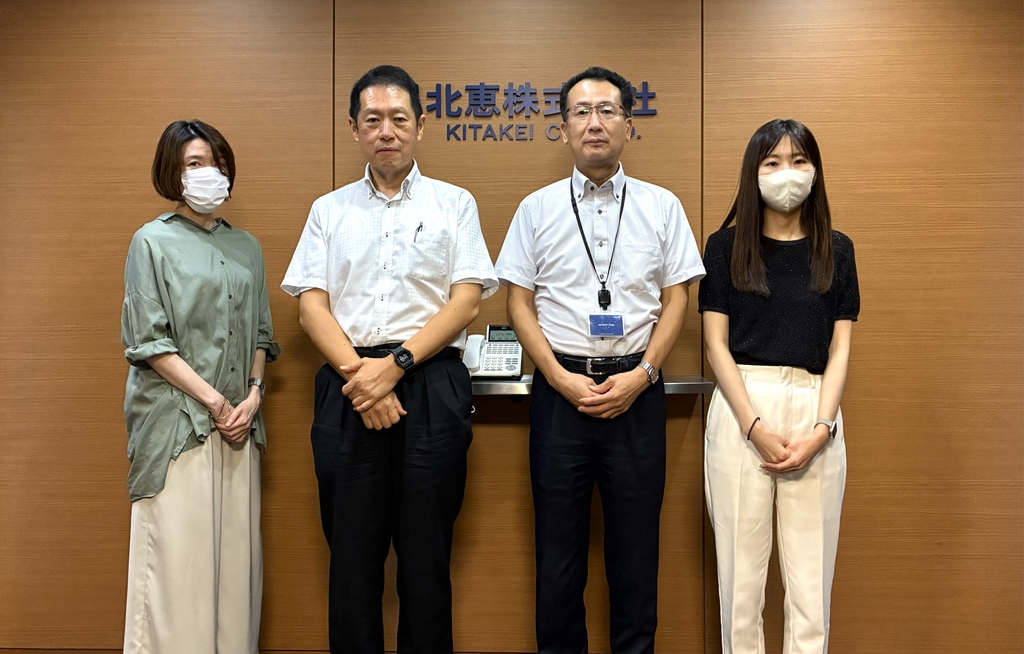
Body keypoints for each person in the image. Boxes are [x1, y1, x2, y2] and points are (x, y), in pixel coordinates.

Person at [281, 64, 497, 654]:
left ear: (420, 126)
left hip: (430, 384)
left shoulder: (455, 203)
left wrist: (395, 366)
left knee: (427, 561)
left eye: (399, 119)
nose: (386, 131)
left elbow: (466, 301)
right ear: (354, 129)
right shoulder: (328, 210)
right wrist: (364, 379)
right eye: (372, 119)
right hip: (349, 387)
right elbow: (311, 308)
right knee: (351, 561)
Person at [495, 66, 705, 654]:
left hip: (639, 391)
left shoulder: (662, 206)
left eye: (607, 111)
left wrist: (643, 375)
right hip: (559, 395)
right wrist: (558, 378)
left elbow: (677, 298)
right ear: (563, 128)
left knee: (636, 555)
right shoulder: (536, 208)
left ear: (628, 125)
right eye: (582, 112)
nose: (595, 122)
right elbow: (518, 301)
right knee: (558, 556)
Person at [700, 119, 860, 654]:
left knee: (811, 585)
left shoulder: (837, 249)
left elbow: (840, 348)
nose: (786, 173)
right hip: (741, 407)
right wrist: (754, 427)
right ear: (754, 173)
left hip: (816, 408)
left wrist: (822, 428)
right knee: (740, 584)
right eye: (772, 163)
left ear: (815, 171)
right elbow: (715, 346)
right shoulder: (724, 247)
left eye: (798, 161)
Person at [121, 119, 280, 653]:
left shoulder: (247, 246)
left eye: (217, 163)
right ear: (173, 172)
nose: (209, 173)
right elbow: (149, 341)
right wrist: (215, 401)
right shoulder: (151, 240)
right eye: (195, 163)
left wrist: (253, 396)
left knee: (235, 572)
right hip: (177, 426)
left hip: (239, 425)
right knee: (177, 571)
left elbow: (262, 333)